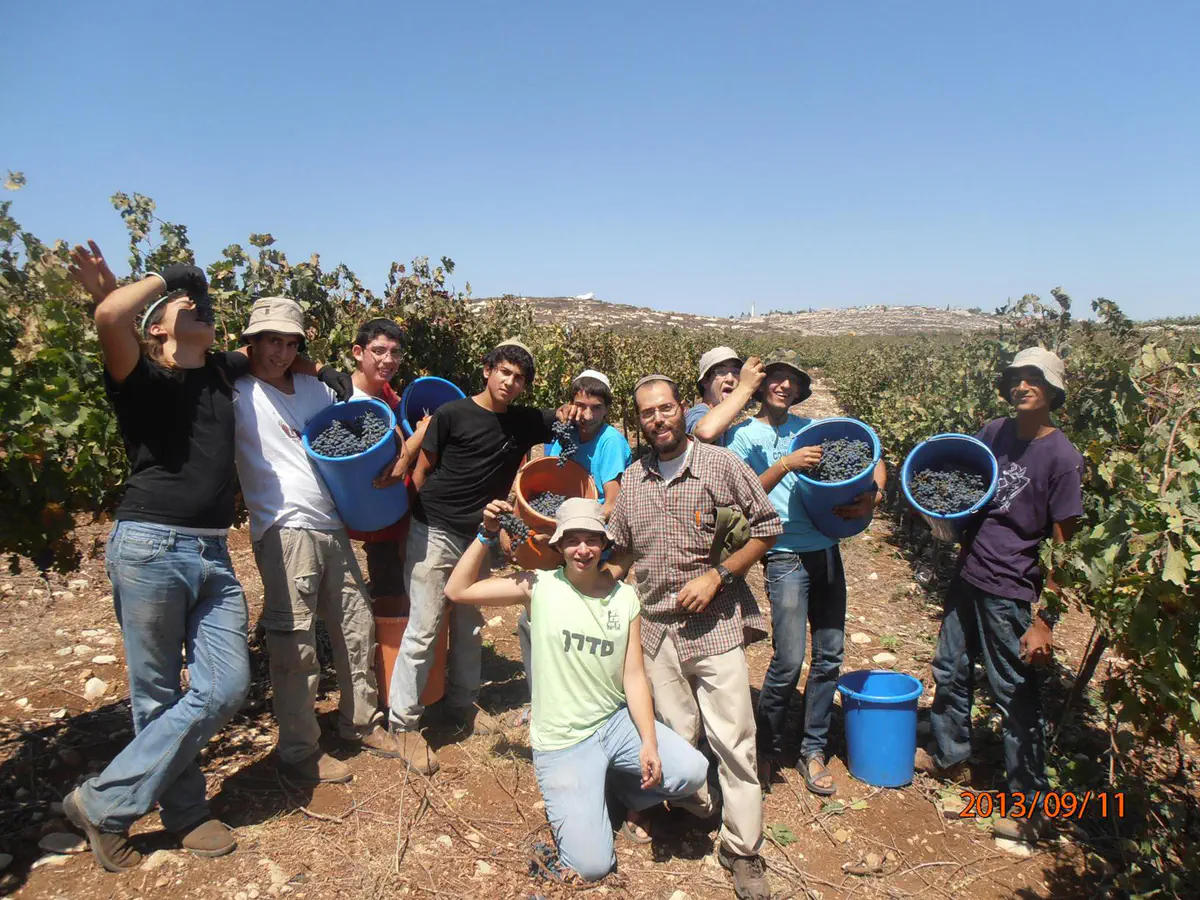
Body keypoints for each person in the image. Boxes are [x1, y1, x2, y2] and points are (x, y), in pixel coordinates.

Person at [61, 246, 266, 870]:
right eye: (184, 304)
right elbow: (110, 320)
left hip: (213, 550)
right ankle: (185, 813)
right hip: (150, 545)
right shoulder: (141, 379)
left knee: (225, 686)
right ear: (154, 329)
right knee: (154, 694)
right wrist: (167, 279)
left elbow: (277, 349)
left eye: (203, 302)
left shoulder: (223, 371)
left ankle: (101, 802)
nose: (200, 305)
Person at [444, 498, 708, 881]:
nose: (582, 550)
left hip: (613, 723)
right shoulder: (538, 586)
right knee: (591, 866)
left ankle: (626, 790)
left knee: (692, 770)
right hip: (563, 741)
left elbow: (634, 675)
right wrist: (486, 534)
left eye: (592, 540)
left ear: (604, 544)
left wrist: (649, 742)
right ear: (559, 545)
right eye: (572, 540)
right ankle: (598, 788)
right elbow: (457, 590)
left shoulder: (624, 598)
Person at [605, 375, 782, 900]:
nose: (658, 419)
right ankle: (697, 809)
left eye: (665, 408)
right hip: (657, 632)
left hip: (715, 625)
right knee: (678, 738)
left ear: (682, 408)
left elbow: (767, 527)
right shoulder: (633, 480)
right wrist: (571, 580)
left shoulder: (720, 465)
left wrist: (719, 576)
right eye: (647, 413)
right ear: (639, 421)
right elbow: (621, 553)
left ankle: (742, 849)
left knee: (735, 740)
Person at [916, 347, 1083, 843]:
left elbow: (1066, 548)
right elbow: (964, 484)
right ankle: (950, 756)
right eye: (1016, 378)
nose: (1022, 386)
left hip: (1011, 588)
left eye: (1034, 378)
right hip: (970, 573)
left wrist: (1045, 620)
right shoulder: (994, 432)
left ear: (1052, 390)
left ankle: (1033, 807)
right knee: (949, 667)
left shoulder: (1063, 458)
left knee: (1013, 691)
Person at [233, 297, 402, 785]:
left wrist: (322, 370)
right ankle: (299, 750)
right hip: (283, 528)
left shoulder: (314, 388)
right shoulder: (237, 392)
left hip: (330, 523)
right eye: (272, 341)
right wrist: (300, 361)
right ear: (251, 342)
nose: (282, 353)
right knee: (295, 644)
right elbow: (212, 362)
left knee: (355, 625)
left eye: (291, 344)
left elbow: (356, 419)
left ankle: (361, 722)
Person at [389, 339, 572, 774]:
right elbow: (423, 469)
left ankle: (462, 704)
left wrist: (571, 411)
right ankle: (404, 724)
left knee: (469, 625)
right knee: (425, 628)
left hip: (479, 537)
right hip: (435, 529)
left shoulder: (523, 422)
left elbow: (565, 418)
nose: (510, 382)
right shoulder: (452, 414)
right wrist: (407, 526)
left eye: (519, 378)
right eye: (504, 372)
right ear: (488, 370)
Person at [713, 358, 886, 795]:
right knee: (789, 659)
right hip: (785, 555)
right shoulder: (743, 436)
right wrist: (786, 464)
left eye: (792, 381)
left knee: (829, 655)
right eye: (777, 378)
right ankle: (766, 747)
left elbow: (874, 458)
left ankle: (813, 749)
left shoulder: (811, 428)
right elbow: (741, 494)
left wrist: (875, 495)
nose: (785, 385)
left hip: (826, 551)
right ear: (761, 386)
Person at [344, 317, 430, 613]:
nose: (389, 360)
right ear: (358, 352)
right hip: (379, 513)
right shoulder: (351, 401)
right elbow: (393, 466)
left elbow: (397, 419)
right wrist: (422, 434)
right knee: (391, 585)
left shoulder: (382, 389)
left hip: (397, 512)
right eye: (379, 351)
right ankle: (390, 634)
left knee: (402, 579)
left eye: (395, 352)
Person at [544, 369, 632, 518]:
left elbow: (612, 505)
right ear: (570, 405)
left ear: (607, 409)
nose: (588, 415)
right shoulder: (567, 434)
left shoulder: (611, 441)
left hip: (595, 520)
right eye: (581, 406)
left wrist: (579, 523)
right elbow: (552, 476)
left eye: (596, 407)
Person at [684, 346, 748, 446]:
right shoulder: (698, 413)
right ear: (705, 381)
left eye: (735, 372)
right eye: (721, 372)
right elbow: (705, 433)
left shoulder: (721, 421)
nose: (730, 379)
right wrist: (746, 388)